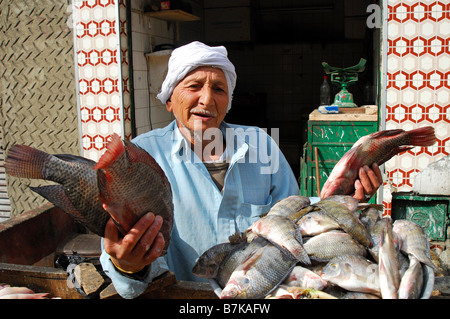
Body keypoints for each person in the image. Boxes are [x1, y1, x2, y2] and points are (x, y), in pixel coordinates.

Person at [100, 41, 383, 298]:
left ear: (229, 101)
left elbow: (295, 222)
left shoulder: (261, 145)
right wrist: (128, 266)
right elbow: (128, 263)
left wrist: (346, 202)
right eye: (194, 86)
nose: (207, 99)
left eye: (219, 89)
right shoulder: (142, 157)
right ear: (170, 100)